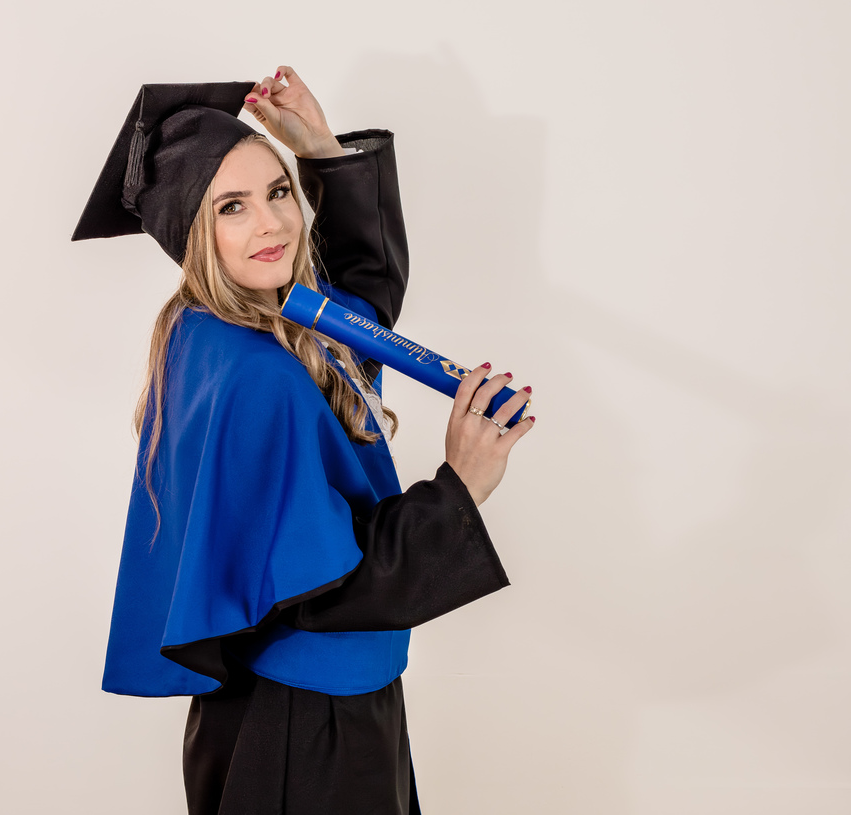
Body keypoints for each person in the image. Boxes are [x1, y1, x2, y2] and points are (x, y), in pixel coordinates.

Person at [72, 67, 534, 815]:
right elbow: (330, 589)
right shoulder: (260, 373)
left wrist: (320, 150)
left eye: (279, 191)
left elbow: (364, 302)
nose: (273, 224)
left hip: (286, 707)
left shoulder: (215, 327)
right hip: (307, 730)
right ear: (193, 234)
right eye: (232, 207)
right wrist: (461, 484)